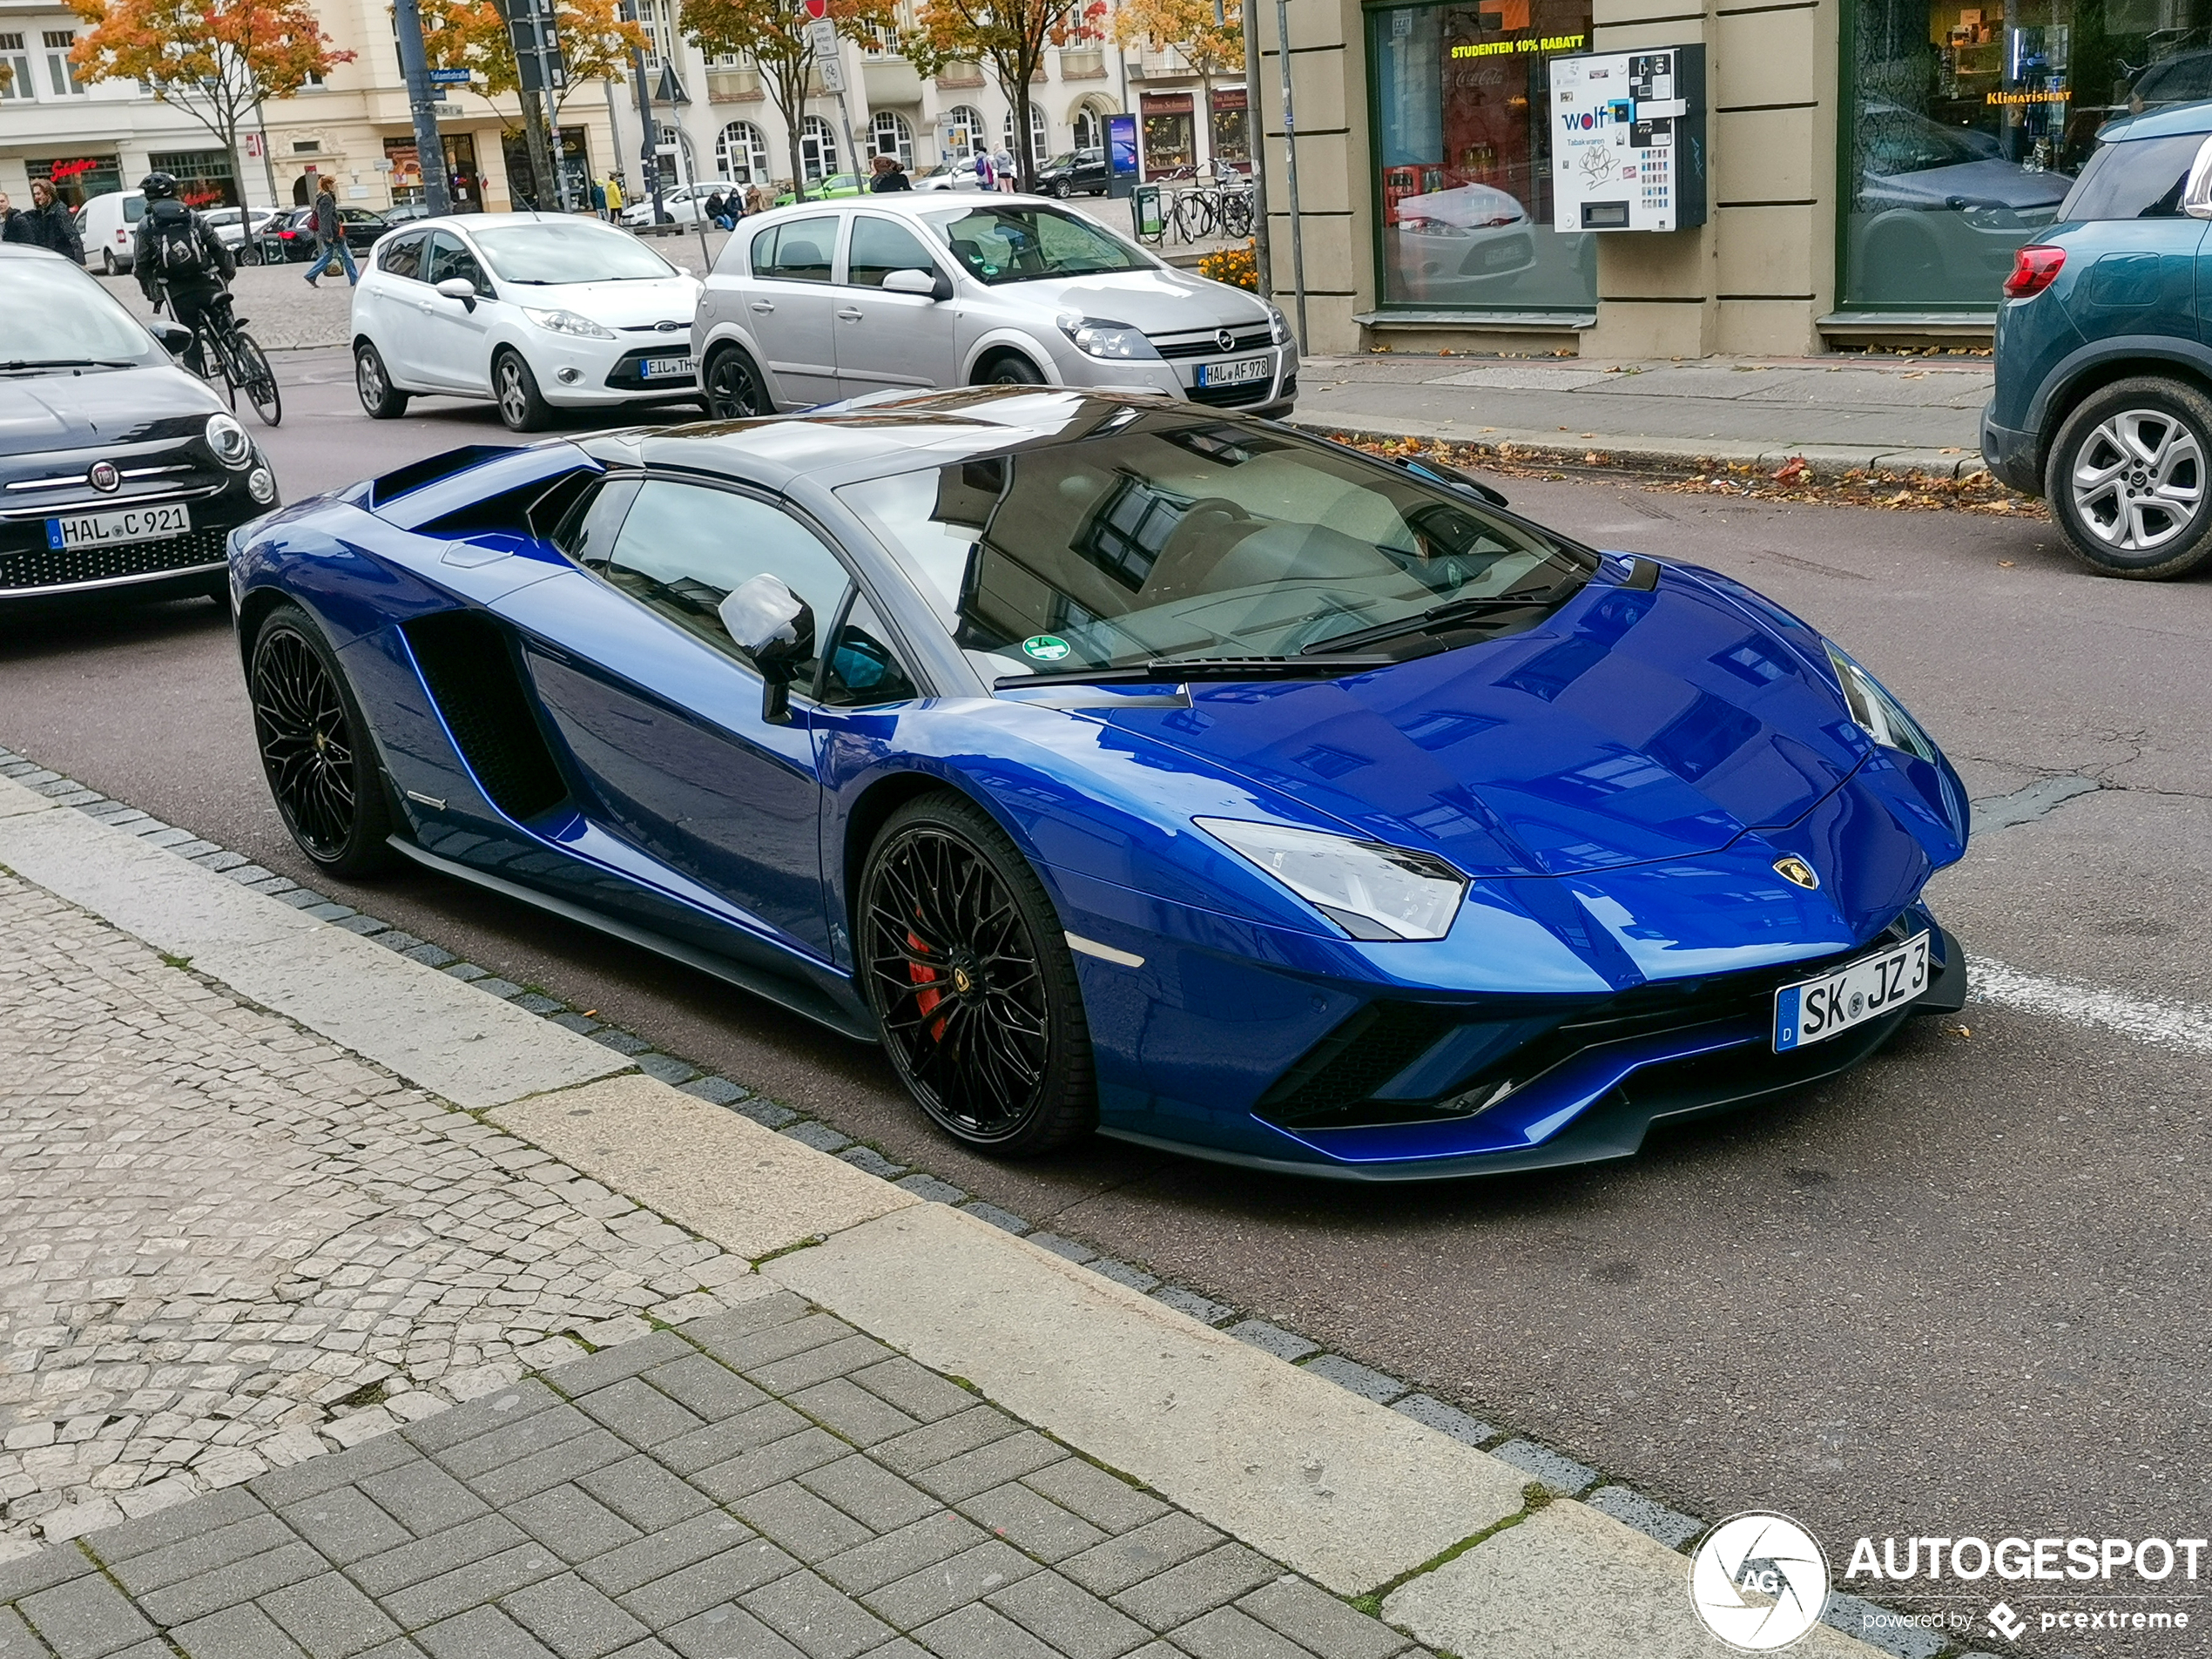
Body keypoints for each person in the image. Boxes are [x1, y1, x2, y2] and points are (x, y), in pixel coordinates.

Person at [132, 172, 235, 379]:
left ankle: (201, 390)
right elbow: (217, 246)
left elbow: (141, 266)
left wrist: (153, 294)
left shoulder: (146, 225)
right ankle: (243, 360)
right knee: (226, 328)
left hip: (177, 292)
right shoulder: (191, 216)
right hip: (207, 282)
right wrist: (227, 273)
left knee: (191, 343)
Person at [0, 179, 86, 264]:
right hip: (55, 258)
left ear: (48, 193)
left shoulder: (59, 211)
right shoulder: (43, 211)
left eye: (38, 194)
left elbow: (73, 236)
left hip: (64, 259)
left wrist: (81, 262)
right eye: (34, 194)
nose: (36, 198)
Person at [302, 179, 357, 287]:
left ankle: (311, 275)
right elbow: (325, 219)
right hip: (333, 233)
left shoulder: (323, 198)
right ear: (328, 185)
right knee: (347, 255)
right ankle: (354, 279)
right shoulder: (326, 200)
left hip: (330, 232)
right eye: (333, 184)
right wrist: (328, 235)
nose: (335, 187)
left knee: (328, 255)